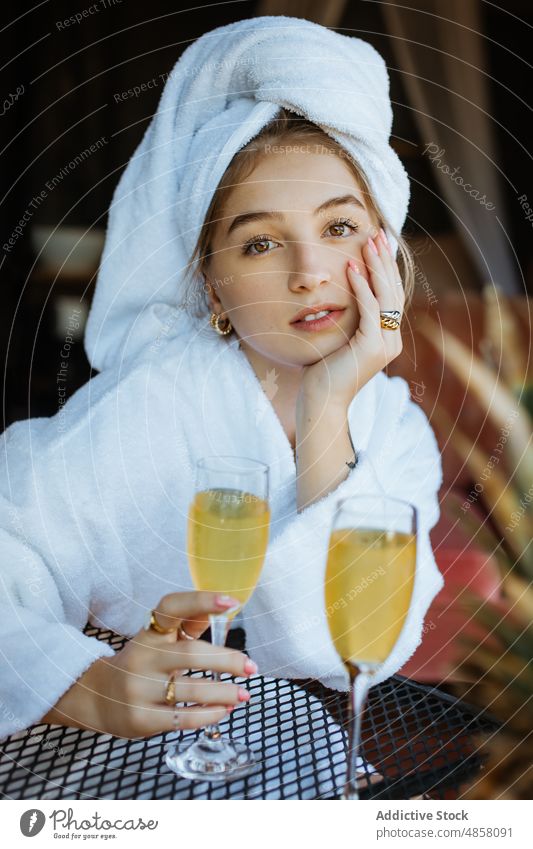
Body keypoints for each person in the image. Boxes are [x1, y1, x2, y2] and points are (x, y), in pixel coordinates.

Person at [0, 16, 444, 742]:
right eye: (261, 242)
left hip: (279, 744)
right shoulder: (158, 401)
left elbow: (353, 649)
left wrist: (329, 405)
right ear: (212, 288)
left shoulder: (392, 425)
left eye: (338, 228)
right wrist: (77, 681)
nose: (309, 274)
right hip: (109, 757)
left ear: (383, 246)